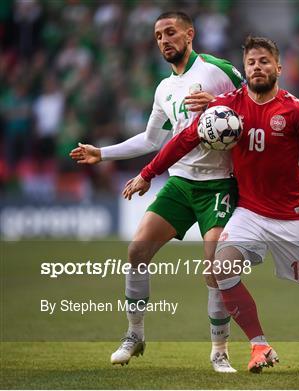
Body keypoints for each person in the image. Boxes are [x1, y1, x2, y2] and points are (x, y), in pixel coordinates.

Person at [123, 36, 299, 373]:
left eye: (264, 61)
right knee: (221, 269)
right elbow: (184, 139)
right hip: (248, 213)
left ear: (278, 67)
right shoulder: (226, 107)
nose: (258, 67)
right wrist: (148, 173)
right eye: (251, 62)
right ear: (244, 69)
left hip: (294, 218)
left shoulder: (295, 110)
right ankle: (258, 345)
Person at [69, 11, 243, 373]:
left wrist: (218, 103)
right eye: (158, 36)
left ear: (190, 34)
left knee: (216, 267)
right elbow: (152, 139)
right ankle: (134, 335)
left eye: (171, 32)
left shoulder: (218, 71)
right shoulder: (164, 89)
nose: (164, 40)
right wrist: (102, 153)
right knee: (137, 250)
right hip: (180, 183)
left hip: (220, 183)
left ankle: (219, 351)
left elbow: (255, 101)